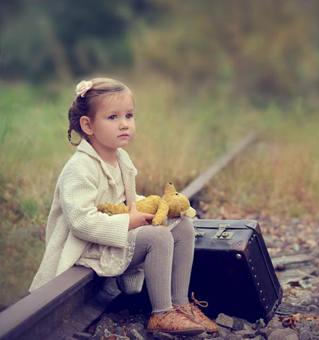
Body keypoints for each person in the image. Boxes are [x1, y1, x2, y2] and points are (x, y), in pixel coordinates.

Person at [29, 77, 218, 336]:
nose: (124, 124)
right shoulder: (79, 168)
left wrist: (153, 207)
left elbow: (125, 200)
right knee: (158, 237)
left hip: (111, 233)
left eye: (129, 115)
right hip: (84, 245)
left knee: (183, 226)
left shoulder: (120, 157)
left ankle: (181, 304)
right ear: (88, 125)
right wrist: (130, 222)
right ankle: (162, 313)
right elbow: (81, 222)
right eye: (113, 117)